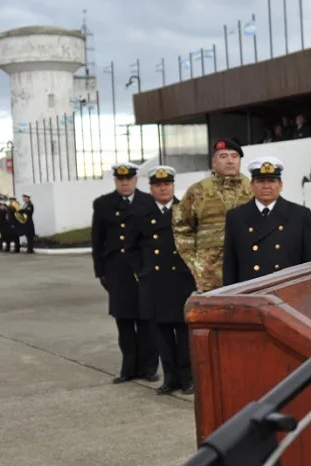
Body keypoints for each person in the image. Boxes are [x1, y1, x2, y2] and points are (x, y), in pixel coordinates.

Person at [129, 166, 196, 395]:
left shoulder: (185, 210)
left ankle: (187, 379)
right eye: (158, 185)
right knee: (163, 334)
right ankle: (170, 379)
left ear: (173, 186)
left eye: (167, 184)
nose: (163, 188)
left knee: (184, 333)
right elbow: (132, 247)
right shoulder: (141, 214)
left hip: (181, 281)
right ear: (151, 189)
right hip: (155, 282)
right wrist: (143, 272)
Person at [91, 162, 159, 384]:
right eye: (120, 179)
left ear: (135, 180)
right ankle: (128, 368)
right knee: (125, 322)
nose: (125, 182)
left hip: (143, 269)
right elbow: (97, 240)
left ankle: (149, 368)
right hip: (117, 271)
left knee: (147, 322)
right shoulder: (103, 204)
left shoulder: (149, 202)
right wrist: (100, 272)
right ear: (115, 181)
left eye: (128, 179)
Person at [222, 156, 311, 286]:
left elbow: (310, 264)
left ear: (280, 185)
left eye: (272, 181)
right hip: (250, 293)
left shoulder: (300, 215)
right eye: (260, 181)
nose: (266, 186)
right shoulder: (236, 217)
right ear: (251, 185)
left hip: (288, 291)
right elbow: (230, 266)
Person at [173, 139, 252, 292]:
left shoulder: (253, 189)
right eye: (223, 156)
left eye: (234, 156)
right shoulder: (197, 191)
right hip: (209, 277)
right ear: (214, 161)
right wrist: (195, 263)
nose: (230, 161)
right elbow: (181, 227)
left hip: (247, 272)